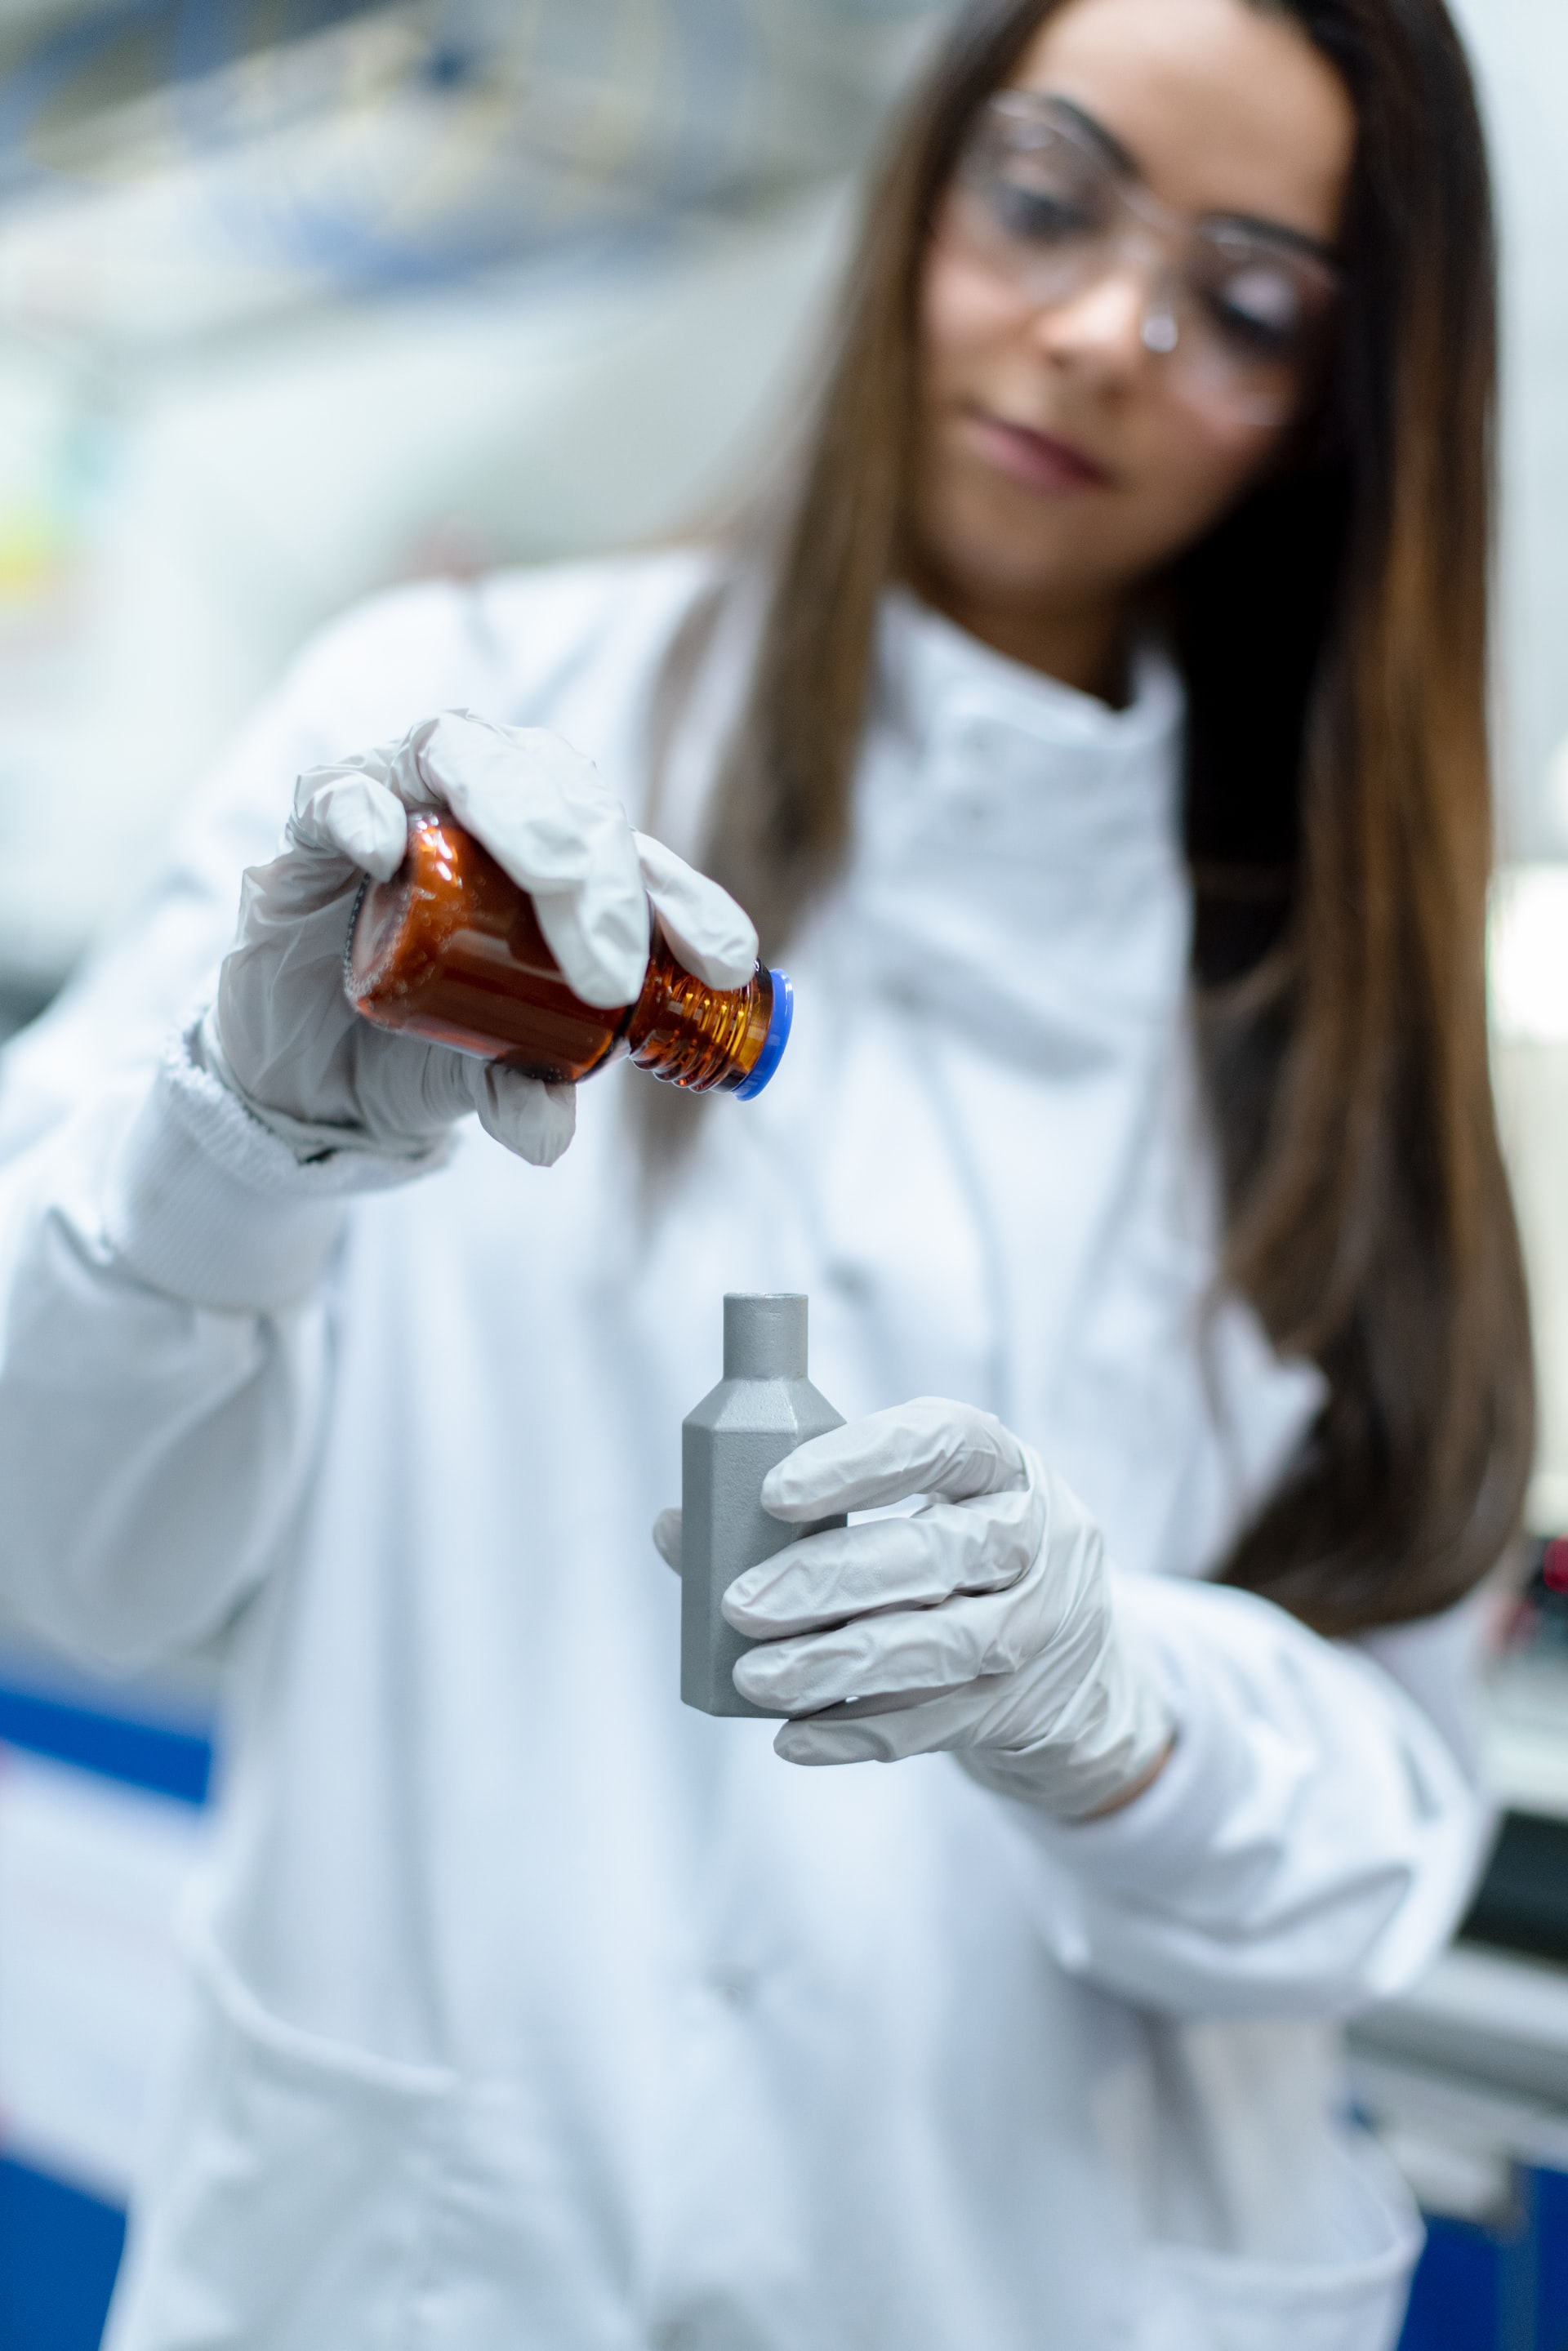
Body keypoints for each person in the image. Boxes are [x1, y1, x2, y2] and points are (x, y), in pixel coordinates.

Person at [0, 0, 1530, 2342]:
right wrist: (237, 1149)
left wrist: (1116, 1710)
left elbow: (1383, 1844)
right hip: (440, 2267)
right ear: (921, 192)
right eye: (1048, 195)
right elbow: (63, 1559)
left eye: (1243, 305)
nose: (1103, 331)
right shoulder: (438, 741)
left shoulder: (1350, 995)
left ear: (1346, 407)